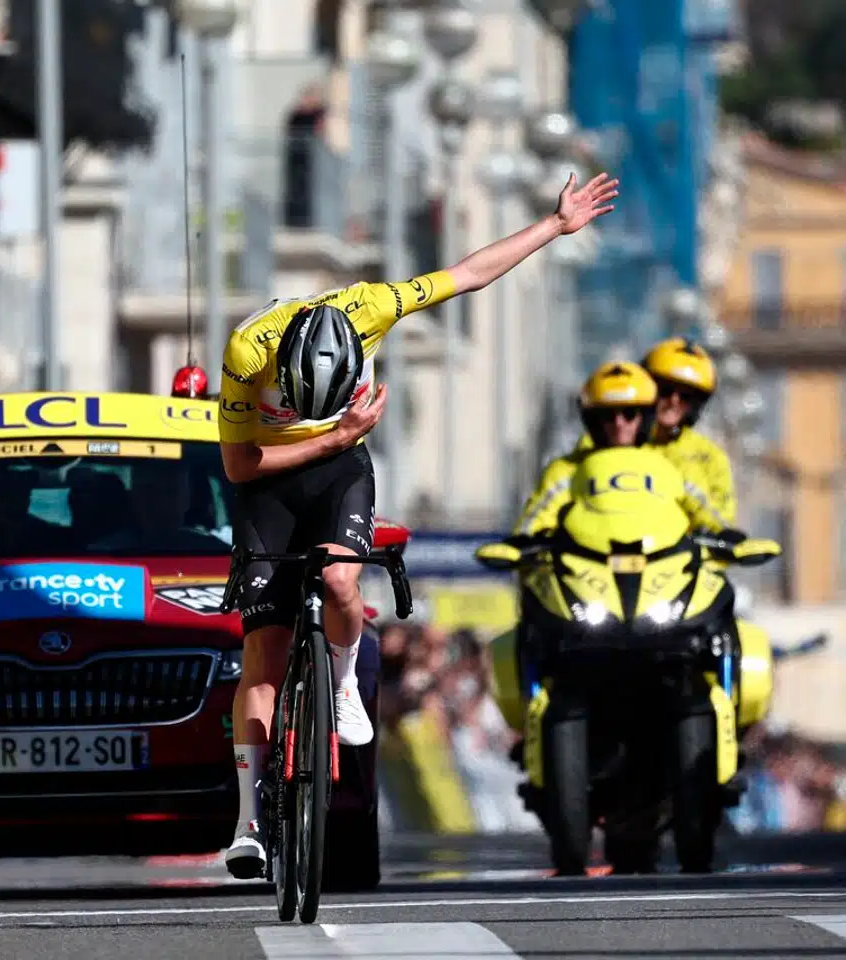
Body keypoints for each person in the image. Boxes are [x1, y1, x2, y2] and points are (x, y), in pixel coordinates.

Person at [218, 170, 620, 878]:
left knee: (341, 581)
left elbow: (468, 274)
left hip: (340, 466)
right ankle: (250, 820)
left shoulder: (370, 306)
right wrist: (333, 433)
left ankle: (343, 682)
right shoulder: (247, 351)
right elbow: (240, 466)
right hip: (269, 475)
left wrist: (554, 227)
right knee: (264, 652)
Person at [513, 361, 727, 537]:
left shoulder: (670, 468)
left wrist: (726, 536)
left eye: (629, 414)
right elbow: (535, 518)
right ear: (593, 421)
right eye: (608, 416)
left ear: (645, 418)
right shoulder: (567, 470)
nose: (619, 423)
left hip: (660, 569)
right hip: (585, 570)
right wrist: (522, 543)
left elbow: (709, 514)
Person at [570, 338, 736, 525]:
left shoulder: (710, 457)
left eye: (685, 396)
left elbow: (723, 521)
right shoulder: (606, 439)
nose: (673, 401)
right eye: (665, 391)